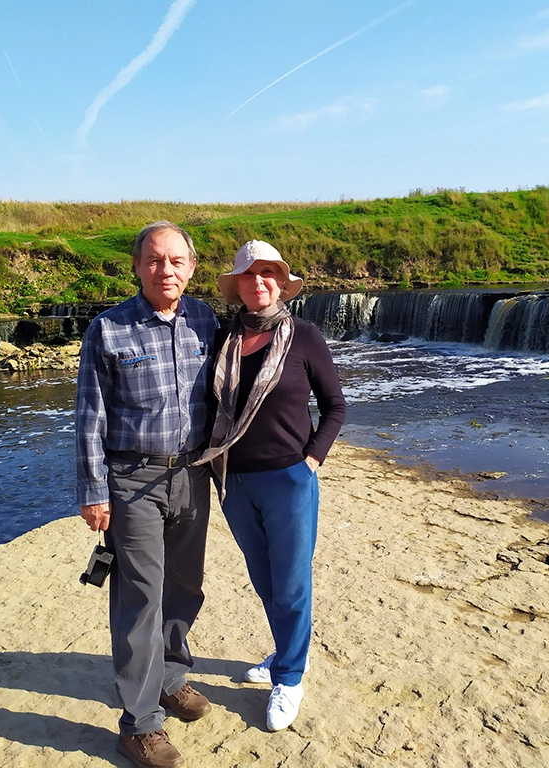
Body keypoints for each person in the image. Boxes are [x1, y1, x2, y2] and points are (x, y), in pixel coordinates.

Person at [75, 220, 218, 768]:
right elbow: (90, 418)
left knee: (185, 587)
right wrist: (94, 491)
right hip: (132, 479)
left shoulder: (205, 320)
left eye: (176, 260)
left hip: (193, 475)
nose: (166, 270)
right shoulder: (107, 330)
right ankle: (138, 725)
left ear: (191, 267)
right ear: (137, 267)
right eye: (155, 260)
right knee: (140, 597)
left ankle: (171, 677)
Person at [196, 240, 346, 732]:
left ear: (281, 282)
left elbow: (335, 406)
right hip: (234, 479)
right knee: (264, 580)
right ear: (237, 285)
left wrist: (311, 460)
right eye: (248, 274)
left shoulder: (304, 336)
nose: (258, 281)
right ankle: (285, 650)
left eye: (268, 273)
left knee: (292, 583)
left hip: (289, 479)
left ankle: (289, 677)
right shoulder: (223, 339)